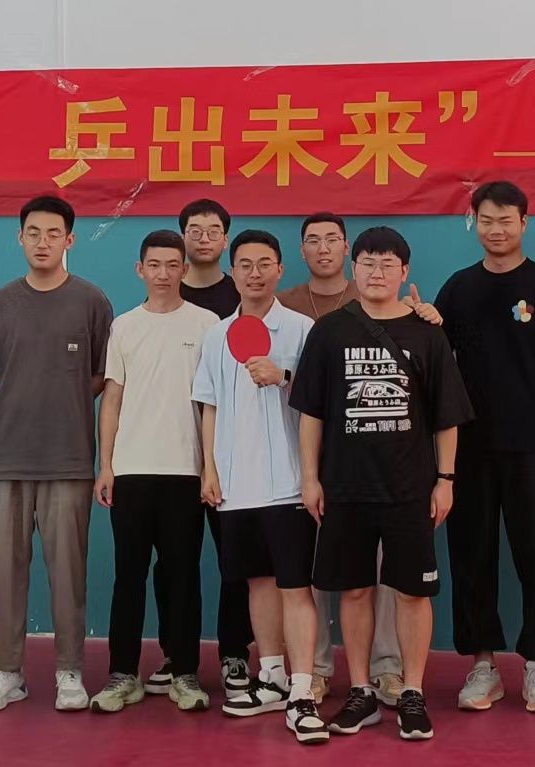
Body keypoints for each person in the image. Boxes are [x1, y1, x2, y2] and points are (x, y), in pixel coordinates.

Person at [293, 227, 472, 742]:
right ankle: (361, 691)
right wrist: (310, 478)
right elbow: (311, 414)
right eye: (368, 262)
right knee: (354, 590)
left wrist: (445, 479)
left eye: (387, 264)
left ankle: (412, 691)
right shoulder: (329, 331)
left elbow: (447, 418)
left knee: (413, 592)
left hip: (411, 487)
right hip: (345, 487)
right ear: (355, 268)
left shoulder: (428, 333)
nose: (376, 272)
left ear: (404, 272)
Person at [434, 180, 535, 713]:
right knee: (471, 554)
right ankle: (483, 665)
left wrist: (530, 398)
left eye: (506, 220)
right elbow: (438, 363)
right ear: (474, 222)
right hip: (468, 446)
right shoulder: (458, 288)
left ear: (524, 222)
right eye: (487, 220)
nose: (496, 230)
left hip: (531, 443)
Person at [0, 195, 113, 715]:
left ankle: (69, 672)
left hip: (69, 461)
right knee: (5, 574)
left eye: (54, 233)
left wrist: (60, 408)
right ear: (20, 238)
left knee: (68, 574)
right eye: (33, 232)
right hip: (4, 461)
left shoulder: (92, 302)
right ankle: (7, 673)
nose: (43, 242)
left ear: (69, 240)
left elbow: (100, 377)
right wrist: (21, 410)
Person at [192, 230, 328, 743]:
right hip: (236, 486)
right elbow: (208, 405)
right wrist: (210, 469)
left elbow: (321, 399)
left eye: (264, 264)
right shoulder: (216, 335)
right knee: (258, 583)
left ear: (279, 270)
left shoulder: (302, 329)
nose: (254, 273)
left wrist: (284, 375)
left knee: (295, 586)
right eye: (245, 264)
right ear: (233, 272)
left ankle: (301, 689)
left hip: (289, 485)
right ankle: (270, 677)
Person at [278, 211, 404, 707]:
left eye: (333, 239)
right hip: (308, 458)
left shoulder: (382, 298)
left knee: (383, 573)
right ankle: (316, 668)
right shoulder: (284, 305)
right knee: (316, 571)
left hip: (380, 463)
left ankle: (386, 667)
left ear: (348, 250)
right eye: (313, 240)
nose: (323, 247)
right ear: (302, 250)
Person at [90, 230, 216, 714]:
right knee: (129, 575)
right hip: (131, 471)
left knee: (182, 575)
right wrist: (107, 465)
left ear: (184, 269)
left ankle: (184, 672)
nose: (163, 274)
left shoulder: (206, 324)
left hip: (185, 471)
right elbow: (112, 399)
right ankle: (123, 674)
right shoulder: (124, 326)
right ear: (139, 270)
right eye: (154, 265)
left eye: (172, 265)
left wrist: (209, 467)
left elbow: (212, 403)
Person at [176, 198, 251, 698]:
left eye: (213, 230)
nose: (203, 237)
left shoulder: (241, 296)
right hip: (174, 452)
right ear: (183, 236)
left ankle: (235, 654)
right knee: (177, 562)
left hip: (233, 453)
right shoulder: (166, 290)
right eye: (194, 229)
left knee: (236, 561)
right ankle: (177, 659)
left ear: (225, 239)